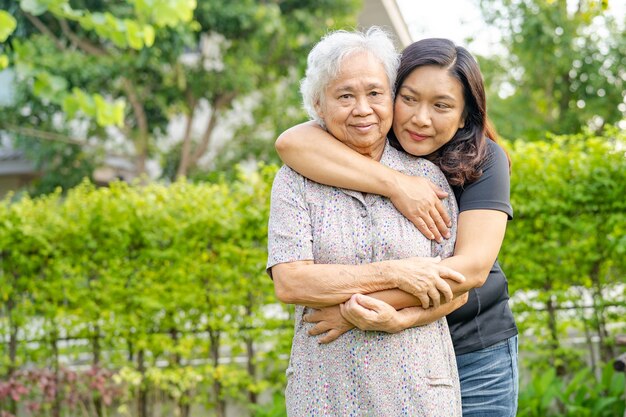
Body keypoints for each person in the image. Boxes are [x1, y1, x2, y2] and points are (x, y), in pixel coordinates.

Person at [275, 37, 519, 417]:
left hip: (474, 344)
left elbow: (469, 270)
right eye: (409, 99)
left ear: (464, 114)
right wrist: (396, 184)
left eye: (441, 105)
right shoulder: (373, 129)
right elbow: (291, 142)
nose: (420, 118)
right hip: (373, 361)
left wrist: (356, 311)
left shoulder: (485, 160)